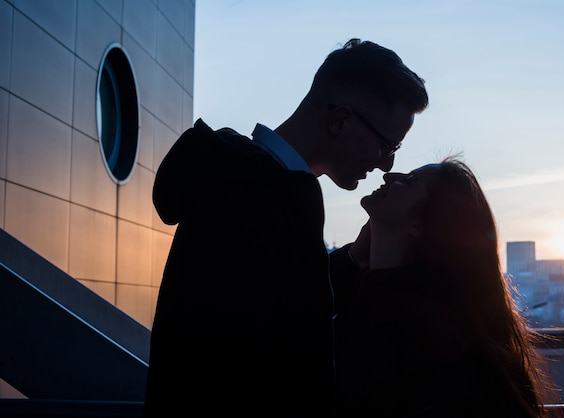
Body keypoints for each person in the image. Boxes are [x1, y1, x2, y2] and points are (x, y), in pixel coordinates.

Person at [143, 38, 429, 418]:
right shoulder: (274, 195)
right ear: (339, 120)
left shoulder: (240, 181)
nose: (385, 165)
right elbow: (282, 354)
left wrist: (350, 261)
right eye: (387, 145)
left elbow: (262, 307)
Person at [333, 156, 563, 418]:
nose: (388, 176)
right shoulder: (402, 307)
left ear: (419, 224)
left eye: (408, 181)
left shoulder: (407, 323)